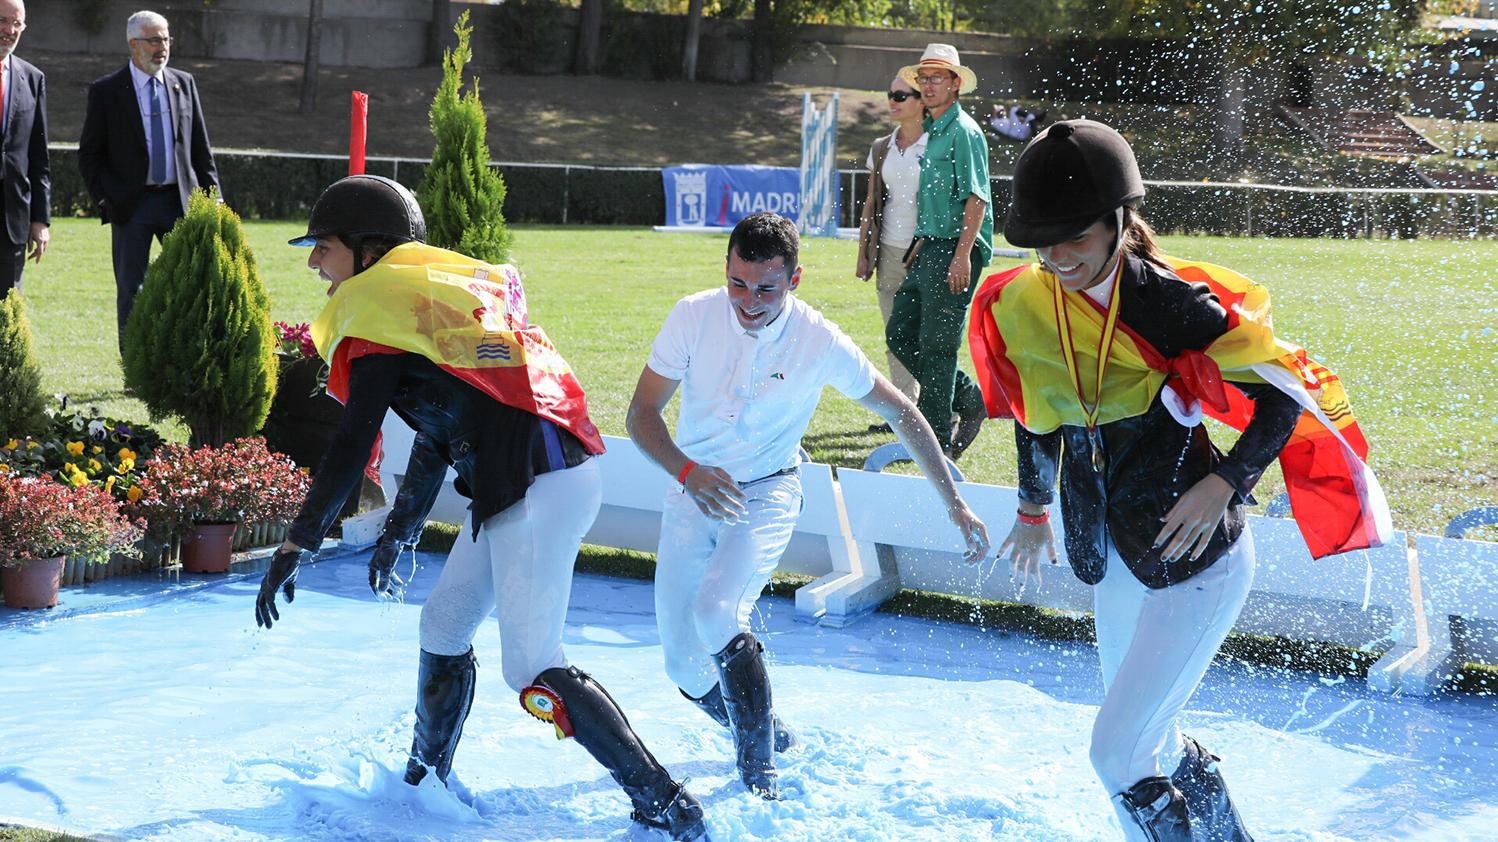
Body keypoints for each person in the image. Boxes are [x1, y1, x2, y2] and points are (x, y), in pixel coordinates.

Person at [253, 175, 709, 841]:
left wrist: (298, 543)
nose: (313, 262)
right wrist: (402, 529)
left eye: (323, 246)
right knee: (442, 626)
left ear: (369, 248)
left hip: (538, 486)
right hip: (532, 483)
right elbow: (445, 428)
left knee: (530, 666)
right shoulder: (423, 302)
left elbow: (352, 442)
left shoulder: (379, 307)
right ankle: (426, 780)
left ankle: (666, 804)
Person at [971, 119, 1390, 841]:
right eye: (1043, 239)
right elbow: (1035, 413)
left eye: (1074, 236)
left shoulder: (1170, 306)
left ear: (1117, 221)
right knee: (1148, 745)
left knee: (1114, 752)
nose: (1057, 257)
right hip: (1112, 559)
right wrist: (1033, 506)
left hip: (1196, 564)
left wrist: (1226, 480)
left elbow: (1283, 394)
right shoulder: (1024, 302)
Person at [626, 211, 991, 800]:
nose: (748, 301)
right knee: (683, 669)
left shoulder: (818, 339)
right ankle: (771, 732)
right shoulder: (692, 315)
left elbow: (901, 410)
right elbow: (640, 416)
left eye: (765, 287)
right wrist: (688, 473)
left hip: (768, 493)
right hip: (693, 491)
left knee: (717, 612)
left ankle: (759, 773)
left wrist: (953, 502)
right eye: (738, 283)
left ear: (795, 280)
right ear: (725, 269)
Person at [78, 9, 219, 351]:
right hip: (131, 205)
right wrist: (104, 198)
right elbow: (89, 154)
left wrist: (214, 195)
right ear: (133, 44)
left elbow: (200, 146)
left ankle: (182, 360)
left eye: (166, 39)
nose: (163, 47)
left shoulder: (183, 83)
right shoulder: (107, 91)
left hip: (179, 202)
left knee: (188, 284)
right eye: (154, 40)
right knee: (131, 289)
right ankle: (134, 367)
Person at [885, 43, 993, 459]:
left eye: (937, 78)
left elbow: (976, 198)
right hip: (932, 245)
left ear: (954, 85)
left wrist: (962, 255)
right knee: (900, 332)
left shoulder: (964, 131)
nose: (928, 85)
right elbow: (936, 200)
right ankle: (968, 399)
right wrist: (922, 243)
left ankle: (934, 446)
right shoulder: (934, 130)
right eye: (923, 78)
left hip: (956, 248)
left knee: (938, 346)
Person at [854, 74, 925, 428]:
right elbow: (871, 202)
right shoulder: (881, 146)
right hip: (889, 251)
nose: (892, 100)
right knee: (895, 334)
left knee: (926, 336)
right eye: (890, 94)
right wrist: (864, 251)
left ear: (921, 100)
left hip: (926, 253)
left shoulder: (938, 144)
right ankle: (904, 411)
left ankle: (942, 409)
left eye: (900, 94)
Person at [0, 0, 49, 295]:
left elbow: (38, 156)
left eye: (16, 23)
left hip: (12, 218)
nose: (9, 30)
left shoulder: (32, 78)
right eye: (2, 21)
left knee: (7, 311)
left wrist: (40, 219)